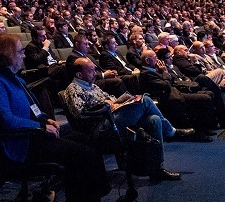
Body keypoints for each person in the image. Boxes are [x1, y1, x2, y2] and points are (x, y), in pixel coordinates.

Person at [0, 34, 110, 202]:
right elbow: (6, 120)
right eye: (19, 52)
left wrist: (46, 120)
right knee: (83, 154)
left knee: (87, 140)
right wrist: (40, 126)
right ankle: (88, 198)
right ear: (4, 54)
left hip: (33, 134)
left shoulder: (15, 78)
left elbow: (33, 108)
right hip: (21, 143)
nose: (23, 56)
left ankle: (89, 195)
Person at [63, 57, 194, 181]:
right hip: (100, 126)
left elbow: (109, 99)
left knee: (154, 120)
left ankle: (156, 170)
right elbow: (80, 114)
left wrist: (119, 101)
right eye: (91, 70)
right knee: (146, 100)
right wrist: (104, 106)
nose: (96, 73)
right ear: (79, 75)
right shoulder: (73, 89)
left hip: (112, 117)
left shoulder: (92, 86)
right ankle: (171, 132)